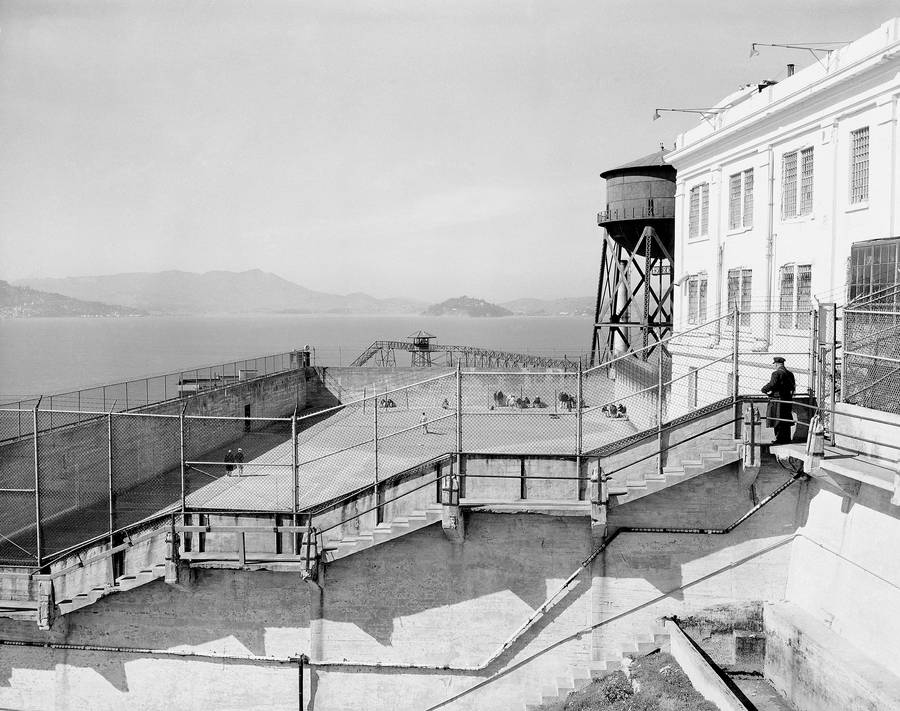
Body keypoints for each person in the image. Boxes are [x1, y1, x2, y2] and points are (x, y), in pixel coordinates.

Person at [762, 356, 796, 444]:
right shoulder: (790, 374)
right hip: (787, 399)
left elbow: (772, 384)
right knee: (786, 419)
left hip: (778, 399)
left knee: (777, 419)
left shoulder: (776, 374)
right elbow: (793, 387)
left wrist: (764, 389)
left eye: (775, 365)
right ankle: (786, 439)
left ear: (776, 364)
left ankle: (779, 439)